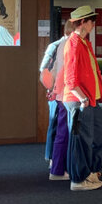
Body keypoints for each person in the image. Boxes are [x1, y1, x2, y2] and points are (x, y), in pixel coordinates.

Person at [62, 6, 102, 191]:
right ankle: (79, 179)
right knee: (81, 140)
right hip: (79, 100)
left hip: (89, 100)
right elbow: (70, 79)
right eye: (92, 21)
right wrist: (82, 99)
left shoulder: (84, 43)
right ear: (83, 22)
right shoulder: (74, 43)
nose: (94, 25)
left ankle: (91, 170)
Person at [40, 21, 72, 180]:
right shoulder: (57, 45)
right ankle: (52, 159)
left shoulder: (59, 45)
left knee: (56, 126)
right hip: (56, 92)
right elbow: (44, 69)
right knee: (55, 125)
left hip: (57, 91)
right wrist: (51, 88)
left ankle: (54, 160)